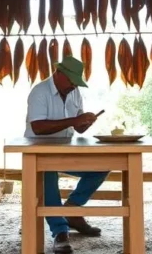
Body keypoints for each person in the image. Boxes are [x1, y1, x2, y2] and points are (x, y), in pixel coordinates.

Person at [25, 56, 107, 254]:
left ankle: (72, 209)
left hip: (67, 149)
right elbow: (37, 127)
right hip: (39, 152)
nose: (73, 86)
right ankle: (60, 232)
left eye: (76, 82)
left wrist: (83, 123)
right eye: (71, 80)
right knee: (48, 175)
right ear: (58, 73)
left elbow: (77, 128)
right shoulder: (40, 91)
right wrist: (74, 120)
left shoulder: (74, 92)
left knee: (102, 166)